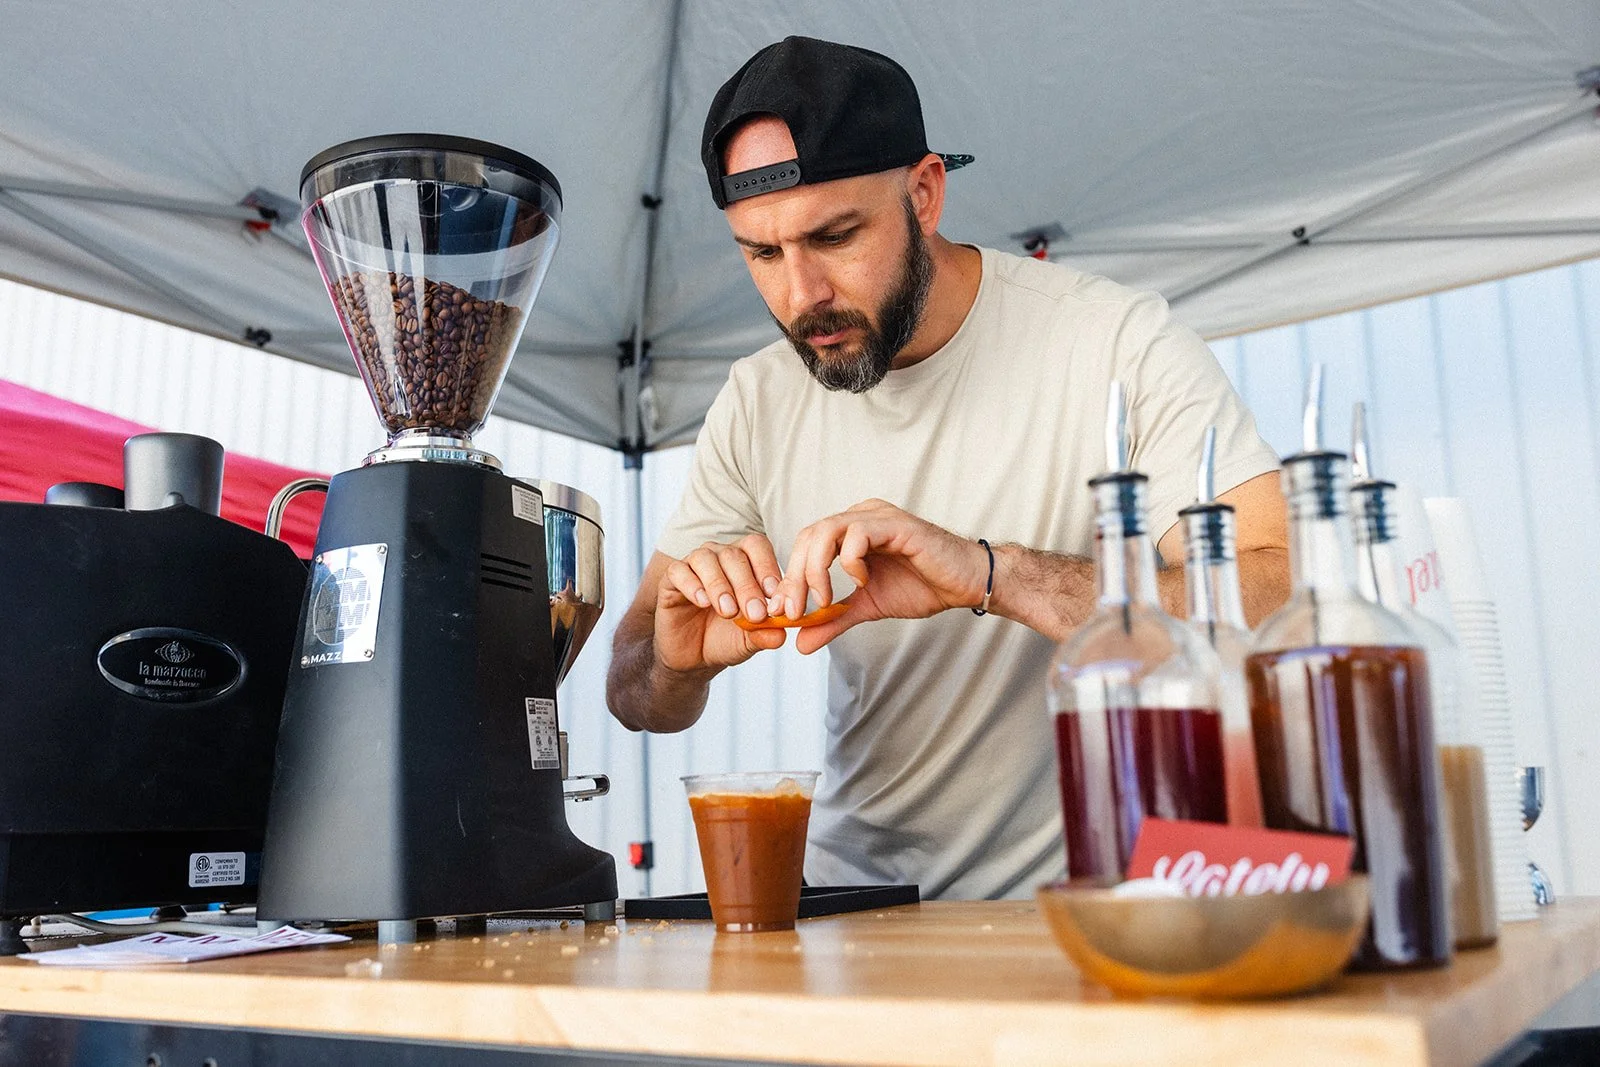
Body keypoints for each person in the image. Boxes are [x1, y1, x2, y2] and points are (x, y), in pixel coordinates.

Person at [606, 35, 1290, 899]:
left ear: (924, 192)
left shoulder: (1115, 344)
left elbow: (1274, 590)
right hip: (854, 910)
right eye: (762, 253)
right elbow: (634, 686)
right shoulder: (757, 400)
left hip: (1096, 908)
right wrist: (679, 662)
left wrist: (996, 574)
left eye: (835, 235)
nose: (800, 294)